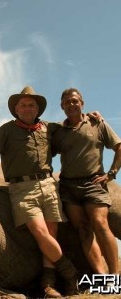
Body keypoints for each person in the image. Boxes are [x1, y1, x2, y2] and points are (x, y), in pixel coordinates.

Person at [0, 86, 78, 298]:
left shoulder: (48, 128)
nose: (27, 108)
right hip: (22, 189)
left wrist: (89, 117)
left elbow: (71, 126)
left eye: (31, 105)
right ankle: (70, 274)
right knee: (40, 232)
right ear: (16, 109)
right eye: (23, 105)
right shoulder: (6, 130)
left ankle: (48, 284)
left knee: (51, 234)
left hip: (49, 185)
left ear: (38, 109)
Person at [52, 88, 121, 278]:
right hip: (68, 186)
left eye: (75, 101)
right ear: (62, 107)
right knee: (83, 229)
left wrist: (111, 174)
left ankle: (115, 277)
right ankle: (101, 276)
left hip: (93, 183)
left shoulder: (97, 123)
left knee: (100, 223)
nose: (71, 105)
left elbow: (119, 147)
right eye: (67, 102)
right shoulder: (58, 131)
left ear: (82, 103)